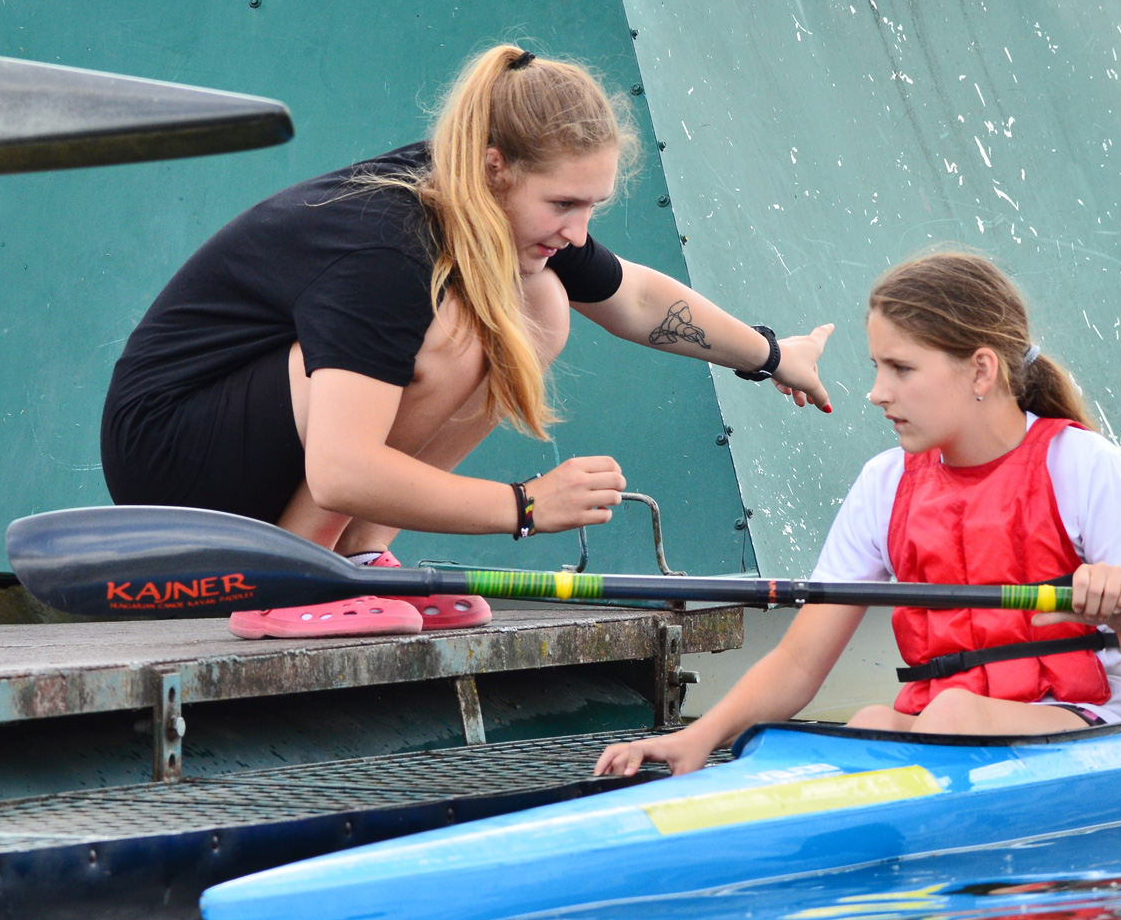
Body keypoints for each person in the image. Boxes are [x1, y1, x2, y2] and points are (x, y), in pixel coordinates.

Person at [100, 45, 833, 640]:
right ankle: (289, 583)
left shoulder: (493, 210)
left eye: (592, 207)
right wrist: (524, 505)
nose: (578, 231)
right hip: (173, 457)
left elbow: (634, 297)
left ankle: (359, 556)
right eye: (565, 205)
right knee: (454, 332)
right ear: (495, 167)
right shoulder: (387, 244)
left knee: (542, 301)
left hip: (270, 443)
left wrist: (771, 354)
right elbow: (340, 470)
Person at [595, 250, 1121, 777]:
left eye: (901, 369)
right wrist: (695, 739)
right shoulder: (885, 485)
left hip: (1108, 724)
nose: (877, 392)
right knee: (873, 720)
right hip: (957, 725)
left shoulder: (1082, 464)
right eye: (877, 367)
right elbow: (801, 661)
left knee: (951, 716)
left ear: (982, 369)